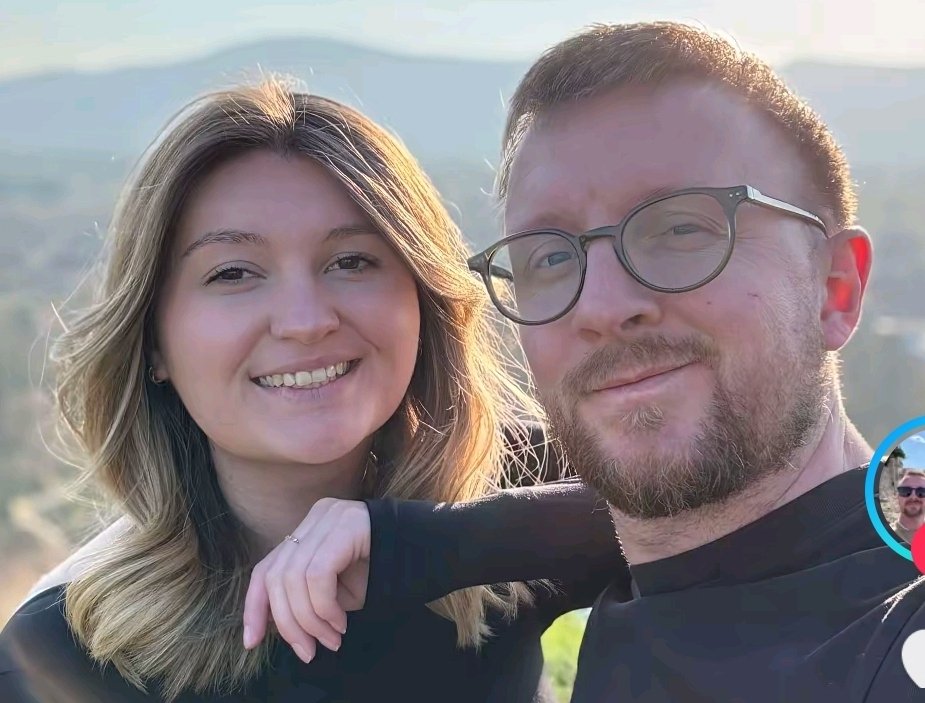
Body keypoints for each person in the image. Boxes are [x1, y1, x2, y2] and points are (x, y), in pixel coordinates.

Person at [248, 22, 925, 702]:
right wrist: (420, 543)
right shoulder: (669, 564)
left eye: (680, 228)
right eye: (549, 256)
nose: (599, 305)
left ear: (834, 286)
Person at [0, 79, 626, 703]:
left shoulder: (506, 484)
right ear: (153, 342)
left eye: (351, 261)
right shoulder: (57, 656)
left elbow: (684, 513)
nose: (305, 321)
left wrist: (432, 545)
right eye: (233, 273)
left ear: (423, 299)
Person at [891, 470, 925, 544]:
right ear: (897, 497)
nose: (913, 497)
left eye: (922, 492)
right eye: (905, 491)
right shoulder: (886, 538)